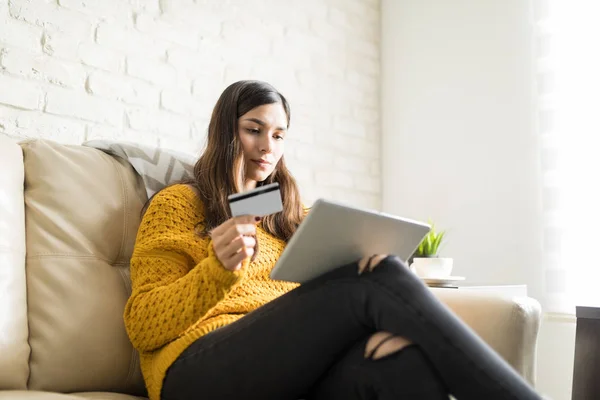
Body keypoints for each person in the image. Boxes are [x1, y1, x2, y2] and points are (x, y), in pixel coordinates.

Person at [123, 80, 542, 400]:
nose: (268, 147)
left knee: (402, 359)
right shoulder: (180, 203)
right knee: (379, 276)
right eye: (254, 129)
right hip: (194, 370)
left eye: (280, 135)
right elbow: (142, 325)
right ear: (226, 132)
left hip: (287, 369)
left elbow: (308, 321)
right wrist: (217, 270)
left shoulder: (293, 219)